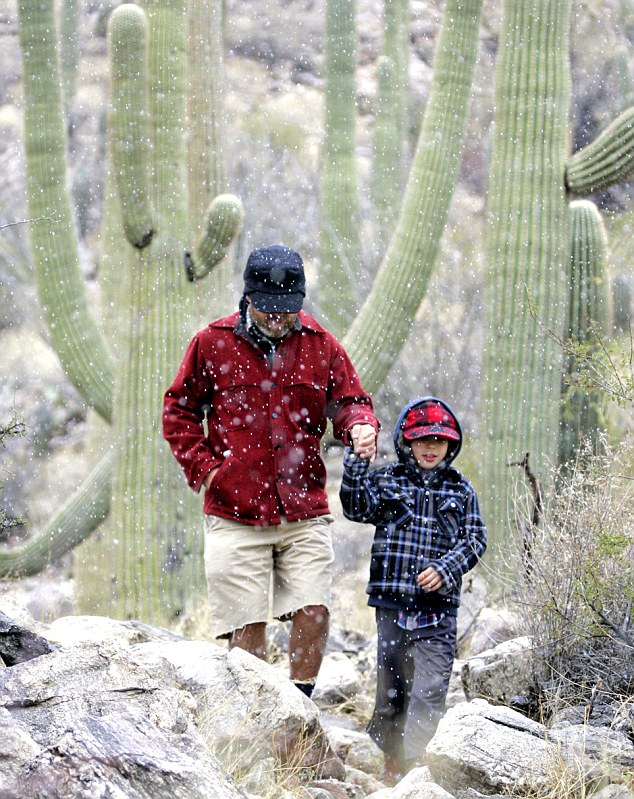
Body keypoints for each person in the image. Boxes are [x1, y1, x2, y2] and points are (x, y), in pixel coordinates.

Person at [162, 244, 379, 698]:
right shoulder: (211, 344)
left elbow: (351, 402)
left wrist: (360, 426)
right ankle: (257, 714)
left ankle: (299, 707)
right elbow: (178, 411)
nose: (278, 319)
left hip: (303, 508)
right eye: (268, 310)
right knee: (246, 629)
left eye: (287, 310)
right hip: (234, 511)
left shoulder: (322, 346)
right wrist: (207, 471)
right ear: (248, 299)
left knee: (314, 609)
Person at [339, 396, 486, 782]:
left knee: (430, 689)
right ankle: (394, 760)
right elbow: (354, 507)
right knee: (393, 690)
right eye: (422, 440)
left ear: (451, 445)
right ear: (407, 440)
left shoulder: (461, 489)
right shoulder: (387, 480)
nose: (430, 447)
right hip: (391, 605)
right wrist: (357, 462)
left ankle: (420, 767)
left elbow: (476, 539)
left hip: (438, 609)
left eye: (439, 441)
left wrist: (446, 568)